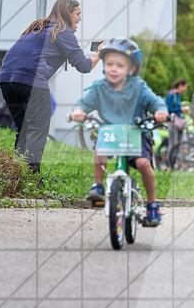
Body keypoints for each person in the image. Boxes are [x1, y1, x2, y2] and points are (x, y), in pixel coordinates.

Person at [69, 38, 168, 226]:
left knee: (143, 164)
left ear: (131, 69)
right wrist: (79, 111)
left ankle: (152, 204)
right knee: (99, 149)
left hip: (136, 133)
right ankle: (98, 186)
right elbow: (85, 102)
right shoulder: (100, 87)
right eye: (109, 64)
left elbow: (155, 101)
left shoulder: (138, 86)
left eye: (120, 65)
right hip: (111, 133)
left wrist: (160, 111)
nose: (113, 69)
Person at [0, 0, 101, 174]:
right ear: (67, 14)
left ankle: (17, 176)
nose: (79, 18)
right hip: (32, 81)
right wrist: (100, 54)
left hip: (7, 80)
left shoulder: (38, 27)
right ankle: (32, 179)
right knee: (37, 132)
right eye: (77, 14)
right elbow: (84, 66)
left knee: (24, 131)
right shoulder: (63, 31)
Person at [165, 79, 189, 169]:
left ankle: (178, 163)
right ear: (180, 85)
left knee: (182, 143)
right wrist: (180, 109)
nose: (186, 89)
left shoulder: (178, 95)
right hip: (172, 122)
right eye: (185, 86)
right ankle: (169, 164)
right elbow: (168, 108)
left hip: (178, 122)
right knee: (172, 144)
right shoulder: (171, 95)